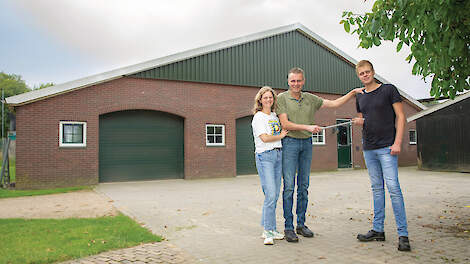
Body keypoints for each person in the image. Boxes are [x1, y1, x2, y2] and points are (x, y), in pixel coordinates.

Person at [277, 67, 364, 242]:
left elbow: (334, 104)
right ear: (288, 81)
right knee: (288, 187)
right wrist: (307, 127)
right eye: (293, 81)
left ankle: (301, 225)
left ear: (303, 81)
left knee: (304, 186)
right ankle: (288, 227)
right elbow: (285, 124)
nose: (296, 84)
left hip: (306, 144)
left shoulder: (310, 98)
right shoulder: (281, 98)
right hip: (290, 143)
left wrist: (353, 92)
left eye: (299, 80)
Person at [352, 60, 411, 251]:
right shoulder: (360, 96)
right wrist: (359, 122)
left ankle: (403, 235)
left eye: (368, 72)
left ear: (373, 72)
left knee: (393, 188)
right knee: (377, 189)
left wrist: (397, 142)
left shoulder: (388, 90)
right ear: (358, 75)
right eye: (362, 73)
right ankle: (378, 230)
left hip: (387, 147)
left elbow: (401, 116)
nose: (365, 75)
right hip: (369, 148)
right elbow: (364, 118)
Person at [251, 86, 289, 245]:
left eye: (270, 97)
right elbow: (265, 138)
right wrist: (281, 135)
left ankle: (270, 228)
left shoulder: (274, 115)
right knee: (271, 194)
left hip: (277, 155)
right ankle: (268, 231)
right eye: (265, 97)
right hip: (265, 156)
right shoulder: (258, 117)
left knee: (273, 194)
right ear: (260, 100)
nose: (268, 100)